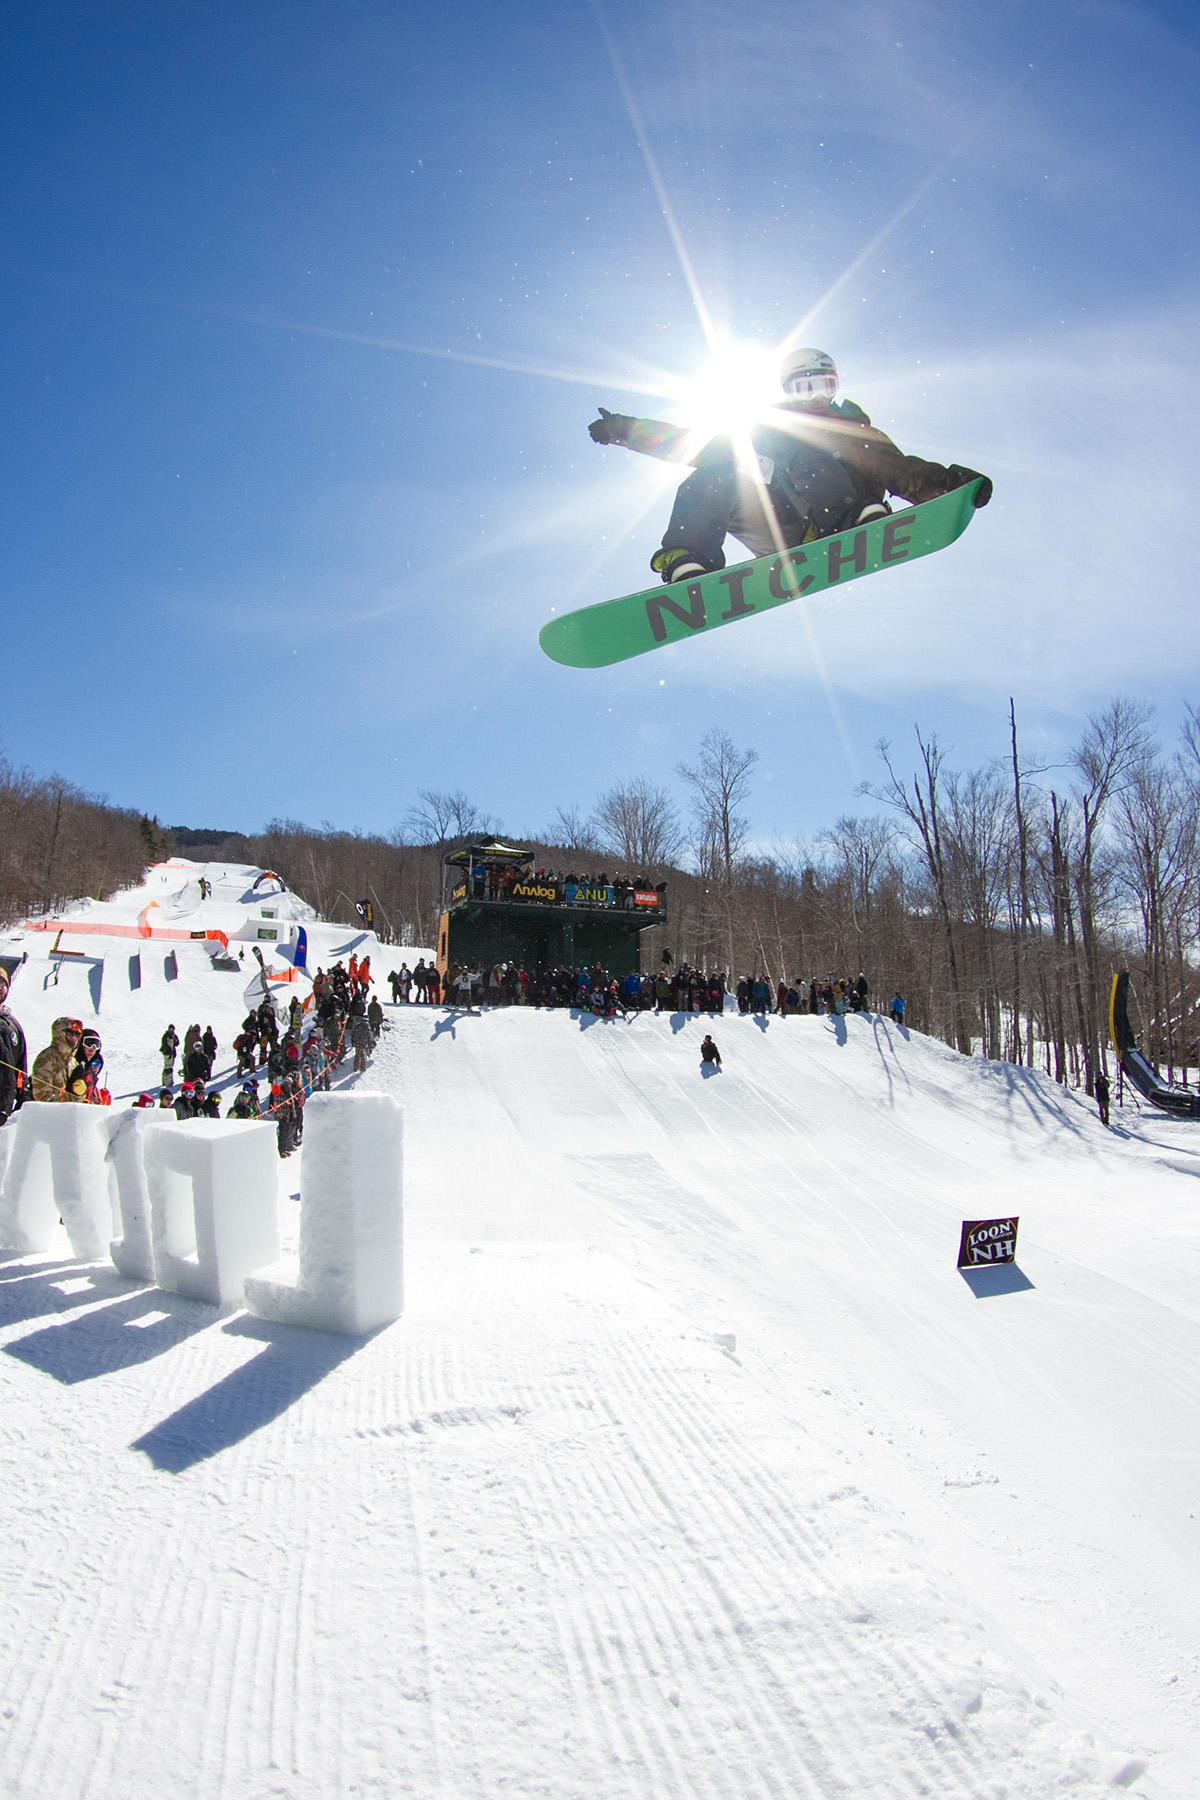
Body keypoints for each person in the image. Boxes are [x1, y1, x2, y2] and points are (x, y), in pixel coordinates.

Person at [588, 347, 992, 584]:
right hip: (784, 528)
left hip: (849, 508)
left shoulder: (854, 430)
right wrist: (624, 429)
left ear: (836, 387)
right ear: (788, 392)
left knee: (832, 439)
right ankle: (688, 561)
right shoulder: (766, 429)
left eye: (824, 386)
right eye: (804, 388)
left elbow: (899, 469)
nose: (815, 398)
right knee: (713, 474)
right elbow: (687, 443)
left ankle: (858, 520)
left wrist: (949, 488)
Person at [32, 1018, 87, 1102]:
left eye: (77, 1034)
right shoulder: (47, 1058)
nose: (73, 1037)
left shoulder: (73, 1062)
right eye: (70, 1033)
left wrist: (80, 1094)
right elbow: (42, 1097)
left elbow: (78, 1102)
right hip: (50, 1114)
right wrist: (64, 1110)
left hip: (67, 1113)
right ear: (59, 1033)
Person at [0, 965, 28, 1126]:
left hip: (4, 1109)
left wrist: (22, 1099)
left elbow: (20, 1069)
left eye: (2, 984)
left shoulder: (13, 1026)